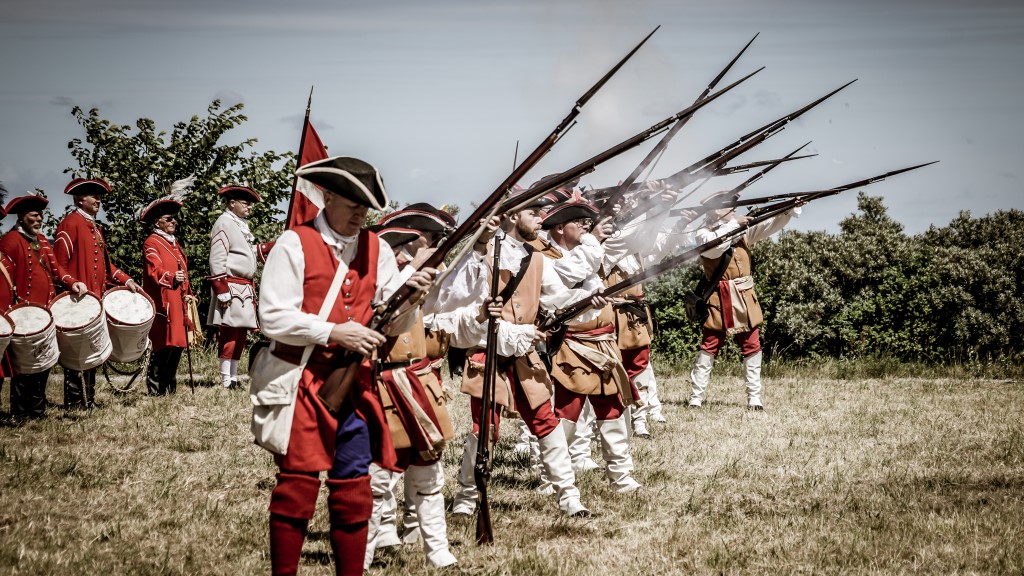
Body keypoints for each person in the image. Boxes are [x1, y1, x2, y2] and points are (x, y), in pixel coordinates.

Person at [257, 156, 436, 576]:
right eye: (353, 203)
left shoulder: (376, 248)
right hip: (302, 377)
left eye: (367, 206)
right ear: (328, 195)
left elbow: (394, 319)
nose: (361, 213)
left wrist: (412, 295)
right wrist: (335, 332)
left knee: (355, 488)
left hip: (356, 380)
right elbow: (272, 317)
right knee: (298, 487)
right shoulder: (293, 244)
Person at [443, 192, 603, 519]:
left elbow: (559, 297)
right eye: (534, 211)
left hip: (524, 354)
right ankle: (467, 496)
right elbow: (463, 306)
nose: (542, 217)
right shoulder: (482, 257)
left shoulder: (537, 259)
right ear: (514, 216)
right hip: (488, 354)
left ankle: (568, 497)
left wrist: (587, 303)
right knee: (483, 429)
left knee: (545, 420)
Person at [362, 219, 457, 569]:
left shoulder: (409, 288)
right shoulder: (371, 290)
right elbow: (384, 314)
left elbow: (449, 298)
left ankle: (437, 549)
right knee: (377, 478)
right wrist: (410, 277)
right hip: (381, 385)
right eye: (393, 252)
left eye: (402, 251)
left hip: (416, 383)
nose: (401, 257)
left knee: (429, 469)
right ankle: (365, 553)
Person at [541, 193, 642, 493]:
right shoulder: (548, 259)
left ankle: (621, 477)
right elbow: (567, 283)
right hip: (572, 343)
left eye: (587, 223)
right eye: (579, 222)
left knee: (612, 409)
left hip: (603, 341)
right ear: (559, 228)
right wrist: (593, 242)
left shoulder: (587, 254)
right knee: (567, 413)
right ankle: (553, 479)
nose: (585, 227)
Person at [687, 205, 800, 410]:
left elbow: (769, 225)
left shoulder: (739, 228)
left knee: (752, 346)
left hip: (744, 294)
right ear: (714, 211)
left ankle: (754, 398)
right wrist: (734, 224)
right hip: (718, 296)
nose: (731, 208)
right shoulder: (704, 233)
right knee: (709, 346)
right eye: (726, 205)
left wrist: (787, 209)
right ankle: (696, 397)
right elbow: (715, 248)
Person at [54, 178, 141, 409]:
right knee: (78, 352)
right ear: (80, 199)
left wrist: (127, 279)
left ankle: (88, 399)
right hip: (78, 302)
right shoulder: (70, 224)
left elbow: (106, 266)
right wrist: (71, 282)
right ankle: (75, 401)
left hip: (96, 300)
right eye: (93, 195)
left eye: (99, 195)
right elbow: (58, 266)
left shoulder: (95, 228)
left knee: (92, 350)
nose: (98, 199)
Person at [0, 194, 87, 417]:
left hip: (45, 311)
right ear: (21, 216)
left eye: (41, 215)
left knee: (43, 363)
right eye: (34, 215)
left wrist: (72, 282)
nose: (39, 219)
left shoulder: (42, 241)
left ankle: (37, 410)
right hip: (24, 314)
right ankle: (21, 412)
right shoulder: (10, 241)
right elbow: (6, 277)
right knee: (24, 366)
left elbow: (57, 270)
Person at [207, 185, 275, 389]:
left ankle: (234, 378)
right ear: (232, 203)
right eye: (245, 203)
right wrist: (221, 289)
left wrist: (271, 246)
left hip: (244, 288)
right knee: (229, 334)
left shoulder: (239, 224)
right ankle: (226, 380)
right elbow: (217, 258)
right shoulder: (224, 223)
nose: (249, 207)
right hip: (231, 285)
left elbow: (246, 253)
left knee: (240, 335)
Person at [139, 196, 192, 396]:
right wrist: (171, 277)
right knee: (162, 344)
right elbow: (154, 270)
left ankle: (170, 385)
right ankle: (155, 388)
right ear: (157, 222)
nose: (174, 221)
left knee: (177, 344)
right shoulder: (151, 242)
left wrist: (189, 295)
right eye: (169, 218)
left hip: (178, 300)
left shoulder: (174, 243)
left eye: (174, 218)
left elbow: (183, 272)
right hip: (163, 301)